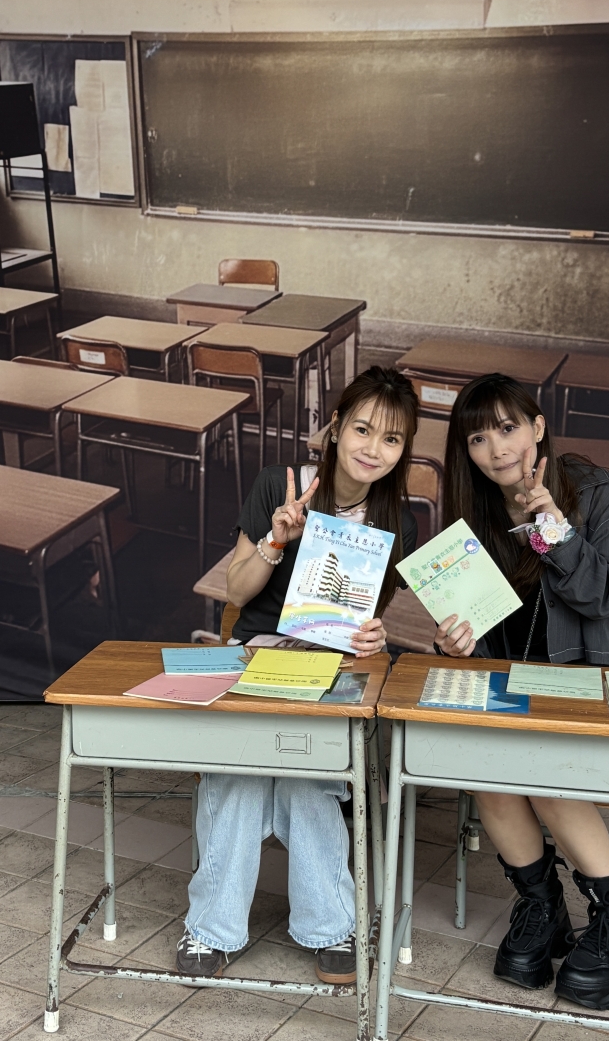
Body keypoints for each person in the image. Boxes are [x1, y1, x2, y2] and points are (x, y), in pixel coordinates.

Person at [177, 366, 419, 983]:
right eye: (362, 429)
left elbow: (367, 623)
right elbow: (237, 591)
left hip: (332, 671)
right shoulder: (278, 484)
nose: (373, 448)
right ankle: (212, 930)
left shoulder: (398, 518)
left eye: (391, 438)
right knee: (240, 776)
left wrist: (375, 638)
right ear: (335, 427)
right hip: (255, 656)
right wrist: (276, 540)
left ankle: (329, 927)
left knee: (307, 777)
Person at [434, 372, 609, 1011]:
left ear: (537, 426)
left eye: (508, 428)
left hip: (587, 682)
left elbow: (608, 597)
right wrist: (455, 644)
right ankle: (543, 908)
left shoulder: (597, 492)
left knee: (544, 775)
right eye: (478, 438)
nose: (497, 449)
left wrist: (554, 531)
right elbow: (478, 626)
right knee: (488, 775)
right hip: (509, 686)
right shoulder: (474, 512)